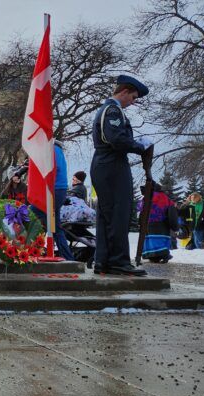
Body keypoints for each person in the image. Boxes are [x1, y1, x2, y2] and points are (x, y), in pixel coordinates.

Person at [90, 75, 153, 276]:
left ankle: (104, 261)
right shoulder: (112, 110)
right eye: (133, 97)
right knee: (118, 213)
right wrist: (139, 145)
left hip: (106, 164)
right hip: (112, 164)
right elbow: (116, 139)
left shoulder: (110, 110)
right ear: (124, 92)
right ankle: (118, 261)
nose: (133, 102)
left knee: (107, 215)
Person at [29, 142, 75, 261]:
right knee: (55, 227)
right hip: (58, 190)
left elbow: (53, 168)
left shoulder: (52, 149)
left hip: (53, 190)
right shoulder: (57, 150)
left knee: (30, 214)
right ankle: (68, 257)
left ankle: (27, 249)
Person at [140, 183, 178, 263]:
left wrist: (140, 223)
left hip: (148, 224)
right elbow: (172, 213)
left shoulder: (146, 198)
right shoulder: (165, 198)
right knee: (161, 240)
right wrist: (174, 226)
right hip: (161, 224)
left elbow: (141, 212)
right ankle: (164, 255)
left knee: (150, 240)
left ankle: (153, 256)